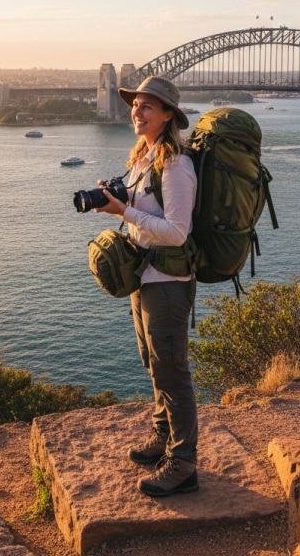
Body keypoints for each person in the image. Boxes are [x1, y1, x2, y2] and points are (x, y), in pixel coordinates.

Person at [94, 75, 199, 498]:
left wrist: (125, 211)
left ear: (168, 115)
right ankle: (162, 437)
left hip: (168, 283)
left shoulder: (175, 165)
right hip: (145, 277)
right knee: (155, 364)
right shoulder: (144, 157)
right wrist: (117, 202)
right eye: (135, 105)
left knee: (173, 373)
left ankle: (184, 465)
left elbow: (176, 231)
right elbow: (144, 216)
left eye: (147, 107)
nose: (136, 112)